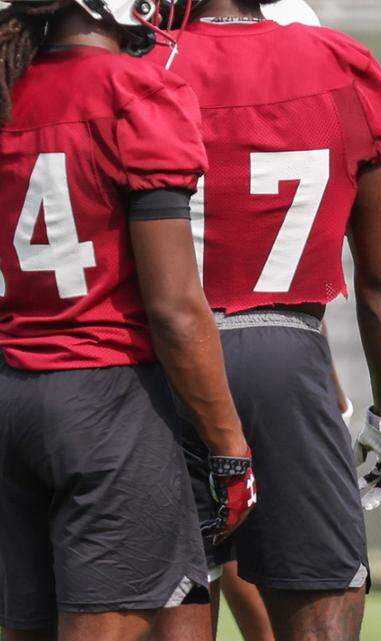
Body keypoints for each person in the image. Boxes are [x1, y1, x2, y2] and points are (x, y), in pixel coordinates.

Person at [141, 1, 381, 640]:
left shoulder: (149, 66)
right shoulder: (339, 62)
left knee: (176, 598)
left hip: (162, 362)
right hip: (288, 355)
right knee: (324, 607)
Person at [0, 2, 256, 641]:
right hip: (105, 398)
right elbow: (172, 307)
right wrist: (229, 446)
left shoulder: (11, 87)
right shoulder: (134, 89)